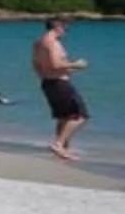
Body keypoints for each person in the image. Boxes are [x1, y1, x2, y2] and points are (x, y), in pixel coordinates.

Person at [34, 18, 92, 160]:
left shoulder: (39, 42)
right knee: (80, 116)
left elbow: (36, 64)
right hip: (59, 83)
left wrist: (46, 76)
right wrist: (76, 65)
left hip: (49, 82)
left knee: (64, 117)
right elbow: (55, 64)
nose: (65, 32)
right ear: (58, 28)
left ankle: (63, 149)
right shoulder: (52, 43)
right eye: (65, 29)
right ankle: (58, 144)